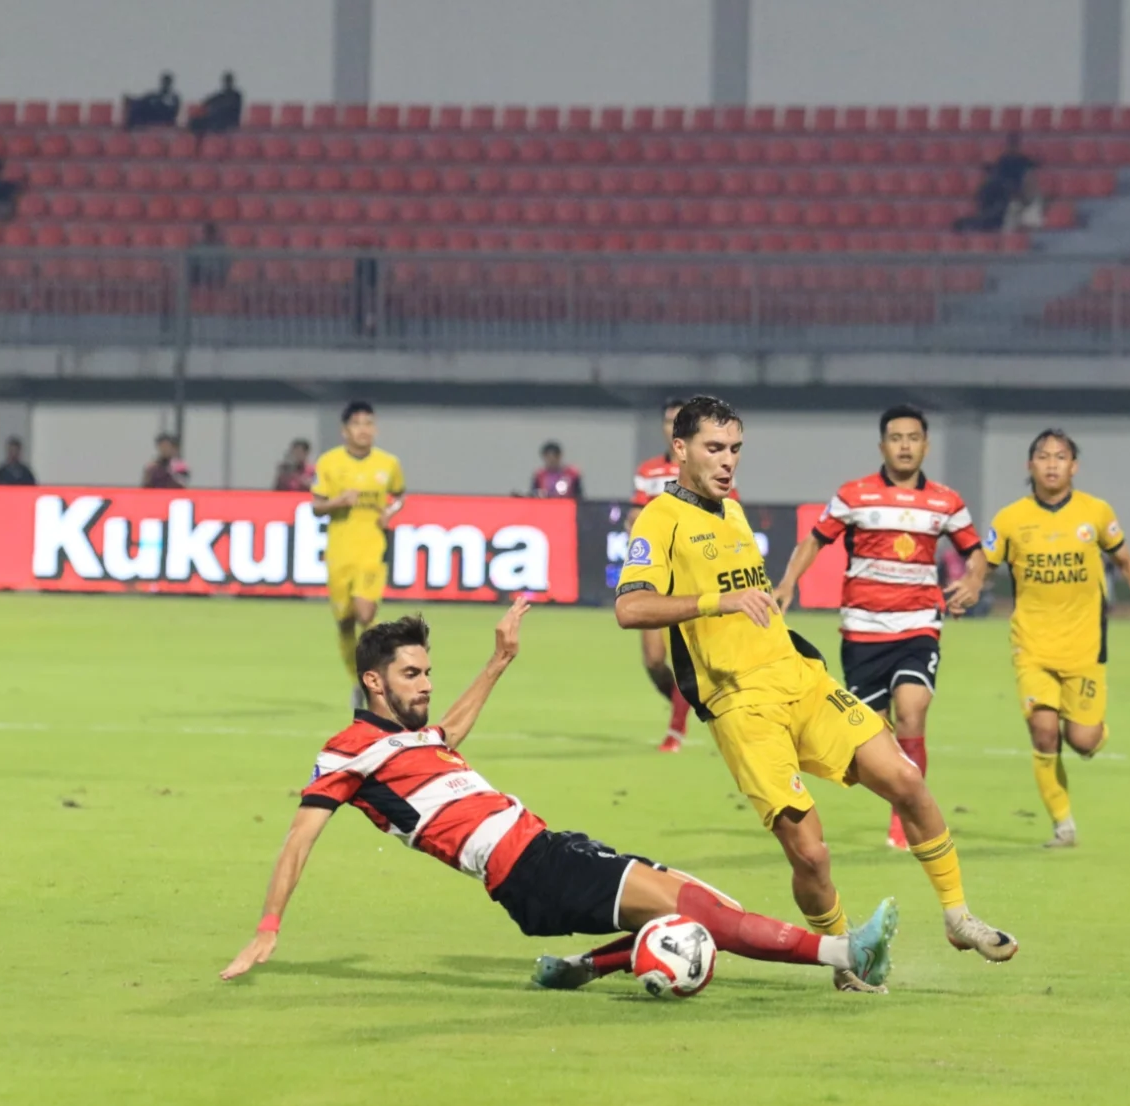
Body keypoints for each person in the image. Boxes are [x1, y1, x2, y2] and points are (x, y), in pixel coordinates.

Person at [219, 605, 899, 994]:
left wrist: (500, 658)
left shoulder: (412, 737)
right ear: (373, 679)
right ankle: (845, 955)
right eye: (411, 673)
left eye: (427, 670)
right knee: (694, 912)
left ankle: (575, 967)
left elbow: (447, 731)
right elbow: (300, 836)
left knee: (694, 892)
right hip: (527, 868)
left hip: (546, 847)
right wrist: (268, 928)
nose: (425, 682)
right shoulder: (348, 750)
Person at [615, 395, 1017, 988]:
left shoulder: (731, 512)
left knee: (906, 778)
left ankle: (957, 915)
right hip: (741, 705)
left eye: (735, 450)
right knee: (811, 853)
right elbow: (629, 608)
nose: (728, 462)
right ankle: (848, 958)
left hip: (799, 677)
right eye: (714, 449)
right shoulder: (659, 521)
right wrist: (717, 602)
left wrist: (775, 597)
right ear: (680, 448)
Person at [771, 405, 984, 851]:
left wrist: (973, 580)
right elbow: (815, 539)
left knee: (912, 711)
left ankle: (903, 821)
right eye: (896, 437)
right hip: (862, 632)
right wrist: (789, 581)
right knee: (875, 741)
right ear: (882, 445)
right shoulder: (854, 496)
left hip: (918, 625)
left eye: (913, 437)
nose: (905, 445)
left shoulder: (946, 501)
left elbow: (974, 550)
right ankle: (900, 797)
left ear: (926, 445)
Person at [944, 429, 1130, 850]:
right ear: (1030, 466)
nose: (1051, 464)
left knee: (1082, 741)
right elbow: (983, 564)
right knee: (1044, 733)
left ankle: (1092, 733)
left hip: (1084, 647)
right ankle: (1063, 825)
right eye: (1043, 456)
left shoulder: (1095, 513)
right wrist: (970, 585)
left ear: (1073, 466)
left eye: (1060, 457)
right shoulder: (1010, 519)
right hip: (1032, 647)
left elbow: (1126, 561)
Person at [312, 400, 406, 703]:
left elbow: (400, 495)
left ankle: (377, 678)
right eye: (357, 424)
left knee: (367, 613)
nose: (364, 430)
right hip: (340, 553)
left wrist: (390, 511)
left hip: (372, 548)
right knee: (345, 622)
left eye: (369, 423)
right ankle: (358, 681)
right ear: (345, 431)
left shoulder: (388, 464)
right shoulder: (329, 463)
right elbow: (316, 506)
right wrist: (338, 502)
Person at [630, 396, 697, 753]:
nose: (674, 426)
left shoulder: (705, 467)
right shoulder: (649, 472)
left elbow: (729, 515)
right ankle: (681, 705)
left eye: (680, 420)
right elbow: (636, 516)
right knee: (654, 661)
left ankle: (676, 730)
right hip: (656, 573)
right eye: (669, 420)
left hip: (690, 576)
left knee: (686, 657)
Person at [188, 72, 244, 140]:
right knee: (195, 122)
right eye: (225, 81)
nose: (227, 83)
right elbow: (207, 101)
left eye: (228, 81)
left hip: (229, 121)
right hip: (216, 119)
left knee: (214, 124)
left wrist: (216, 107)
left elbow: (229, 107)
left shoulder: (236, 95)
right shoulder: (221, 95)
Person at [188, 223, 229, 289]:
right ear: (204, 233)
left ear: (214, 234)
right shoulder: (197, 247)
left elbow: (225, 266)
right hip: (200, 278)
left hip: (217, 278)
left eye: (211, 233)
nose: (209, 235)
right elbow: (191, 265)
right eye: (207, 233)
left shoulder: (221, 247)